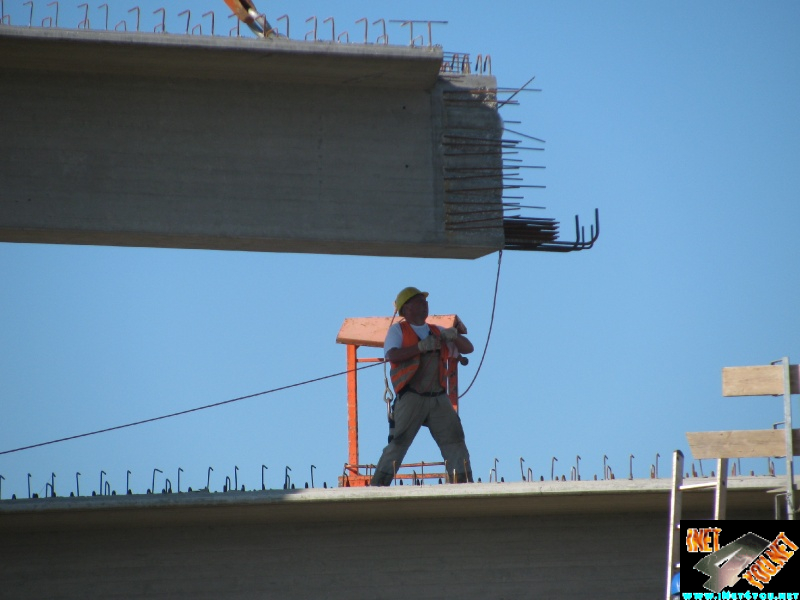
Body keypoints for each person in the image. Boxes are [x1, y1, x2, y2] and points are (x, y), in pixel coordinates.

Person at [370, 287, 475, 486]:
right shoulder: (398, 330)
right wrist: (419, 347)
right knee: (398, 443)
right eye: (419, 302)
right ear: (406, 308)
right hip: (412, 396)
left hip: (437, 398)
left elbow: (468, 348)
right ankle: (378, 486)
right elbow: (392, 355)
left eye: (425, 302)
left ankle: (462, 485)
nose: (425, 305)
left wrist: (454, 336)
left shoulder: (436, 331)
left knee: (454, 440)